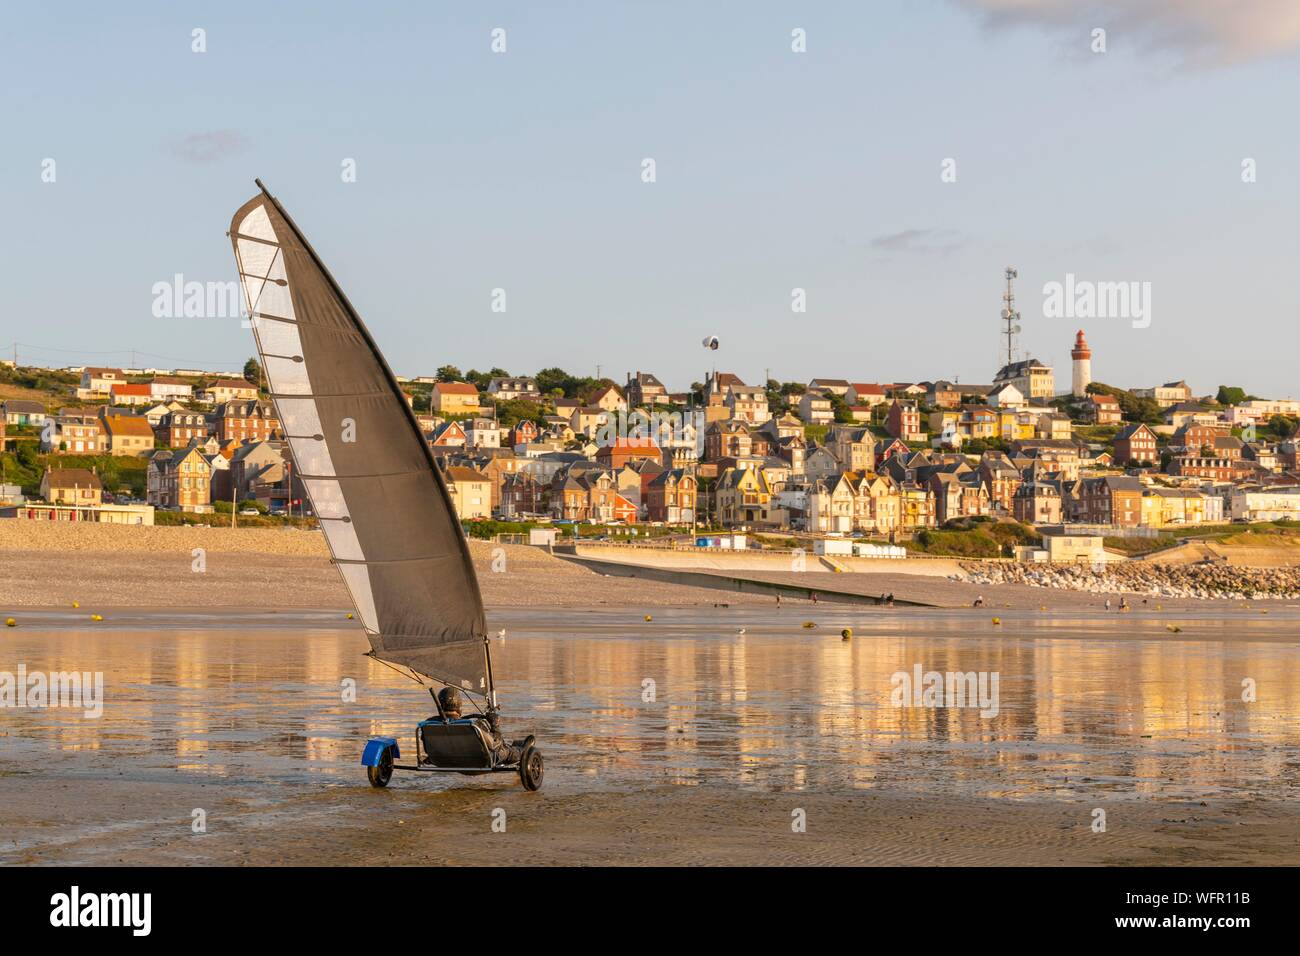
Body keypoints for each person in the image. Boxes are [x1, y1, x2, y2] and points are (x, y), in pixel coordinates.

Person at [434, 687, 524, 766]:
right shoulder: (470, 726)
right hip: (479, 761)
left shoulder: (429, 724)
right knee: (508, 751)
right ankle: (523, 752)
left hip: (443, 761)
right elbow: (495, 744)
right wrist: (495, 725)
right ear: (458, 704)